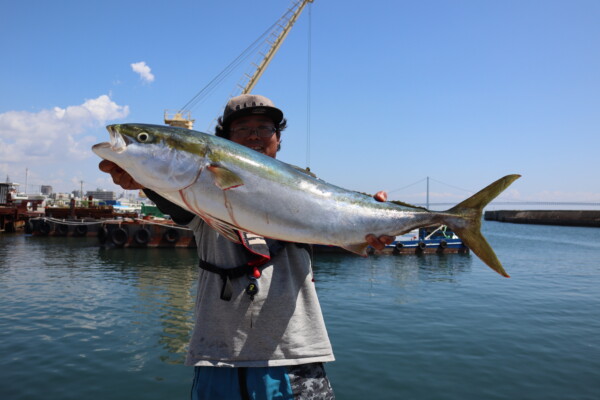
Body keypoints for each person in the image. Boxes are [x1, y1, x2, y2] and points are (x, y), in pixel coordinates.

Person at [99, 94, 393, 399]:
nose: (254, 135)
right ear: (224, 141)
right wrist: (144, 179)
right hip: (217, 356)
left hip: (294, 355)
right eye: (242, 129)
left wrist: (377, 223)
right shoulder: (198, 191)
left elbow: (348, 226)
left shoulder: (308, 189)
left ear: (278, 139)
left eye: (264, 128)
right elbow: (174, 190)